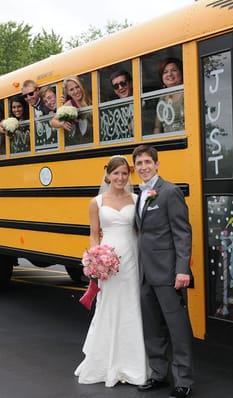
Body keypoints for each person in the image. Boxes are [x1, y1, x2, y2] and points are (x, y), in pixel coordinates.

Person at [75, 155, 148, 387]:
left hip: (132, 259)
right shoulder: (96, 202)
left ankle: (134, 364)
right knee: (108, 306)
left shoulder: (137, 199)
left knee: (132, 305)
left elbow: (139, 232)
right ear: (107, 175)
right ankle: (105, 362)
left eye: (124, 173)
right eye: (115, 173)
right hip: (108, 264)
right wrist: (93, 261)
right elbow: (95, 234)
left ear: (129, 176)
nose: (120, 177)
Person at [133, 144, 193, 398]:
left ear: (157, 164)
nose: (144, 167)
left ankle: (183, 381)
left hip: (169, 274)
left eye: (148, 162)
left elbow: (182, 233)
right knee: (152, 328)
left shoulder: (170, 192)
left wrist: (182, 270)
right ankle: (159, 374)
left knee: (177, 329)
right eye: (139, 164)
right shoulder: (139, 195)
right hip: (145, 273)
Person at [51, 76, 93, 146]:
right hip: (84, 141)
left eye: (77, 87)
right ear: (68, 93)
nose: (76, 91)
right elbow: (53, 122)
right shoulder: (69, 104)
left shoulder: (90, 97)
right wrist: (61, 124)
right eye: (71, 89)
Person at [153, 58, 185, 134]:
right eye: (165, 72)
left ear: (182, 73)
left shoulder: (186, 93)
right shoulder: (163, 97)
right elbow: (157, 127)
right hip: (168, 142)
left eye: (174, 70)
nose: (169, 74)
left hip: (184, 140)